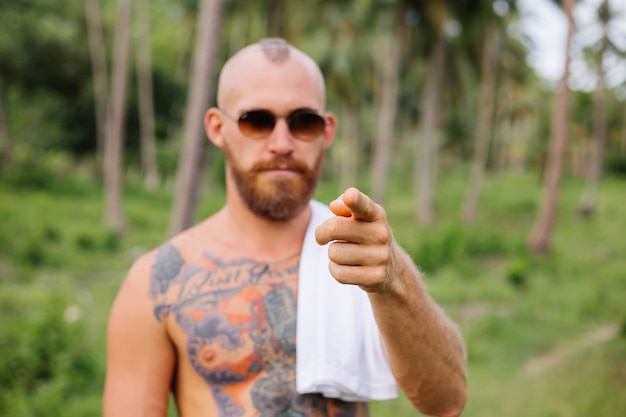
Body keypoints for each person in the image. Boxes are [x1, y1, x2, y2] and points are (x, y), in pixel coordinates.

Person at [103, 38, 467, 417]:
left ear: (326, 131)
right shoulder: (158, 284)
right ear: (216, 128)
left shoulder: (361, 257)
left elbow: (448, 402)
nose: (281, 143)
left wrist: (395, 281)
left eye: (303, 122)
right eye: (256, 121)